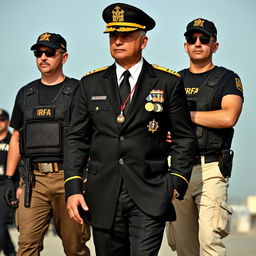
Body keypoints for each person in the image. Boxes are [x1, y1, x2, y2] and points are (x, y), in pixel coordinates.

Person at [64, 3, 195, 256]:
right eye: (114, 36)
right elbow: (76, 140)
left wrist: (176, 182)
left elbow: (183, 137)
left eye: (126, 36)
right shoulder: (89, 84)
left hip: (150, 191)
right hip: (102, 195)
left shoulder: (168, 82)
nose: (118, 41)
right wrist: (73, 188)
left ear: (143, 41)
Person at [4, 32, 90, 255]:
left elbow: (90, 136)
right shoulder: (25, 94)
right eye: (38, 53)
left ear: (64, 57)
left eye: (50, 53)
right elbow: (16, 137)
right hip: (34, 182)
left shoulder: (79, 91)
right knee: (27, 246)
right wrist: (10, 180)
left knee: (74, 248)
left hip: (69, 179)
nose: (43, 57)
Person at [166, 18, 244, 256]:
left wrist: (186, 115)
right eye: (192, 39)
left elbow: (229, 117)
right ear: (185, 46)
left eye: (204, 39)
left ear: (215, 45)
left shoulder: (227, 79)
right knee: (183, 246)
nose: (197, 43)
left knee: (210, 240)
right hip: (177, 168)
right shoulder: (172, 81)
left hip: (211, 168)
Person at [0, 109, 18, 256]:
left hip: (6, 186)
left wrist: (18, 186)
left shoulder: (13, 140)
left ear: (7, 121)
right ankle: (11, 252)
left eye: (2, 119)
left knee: (1, 222)